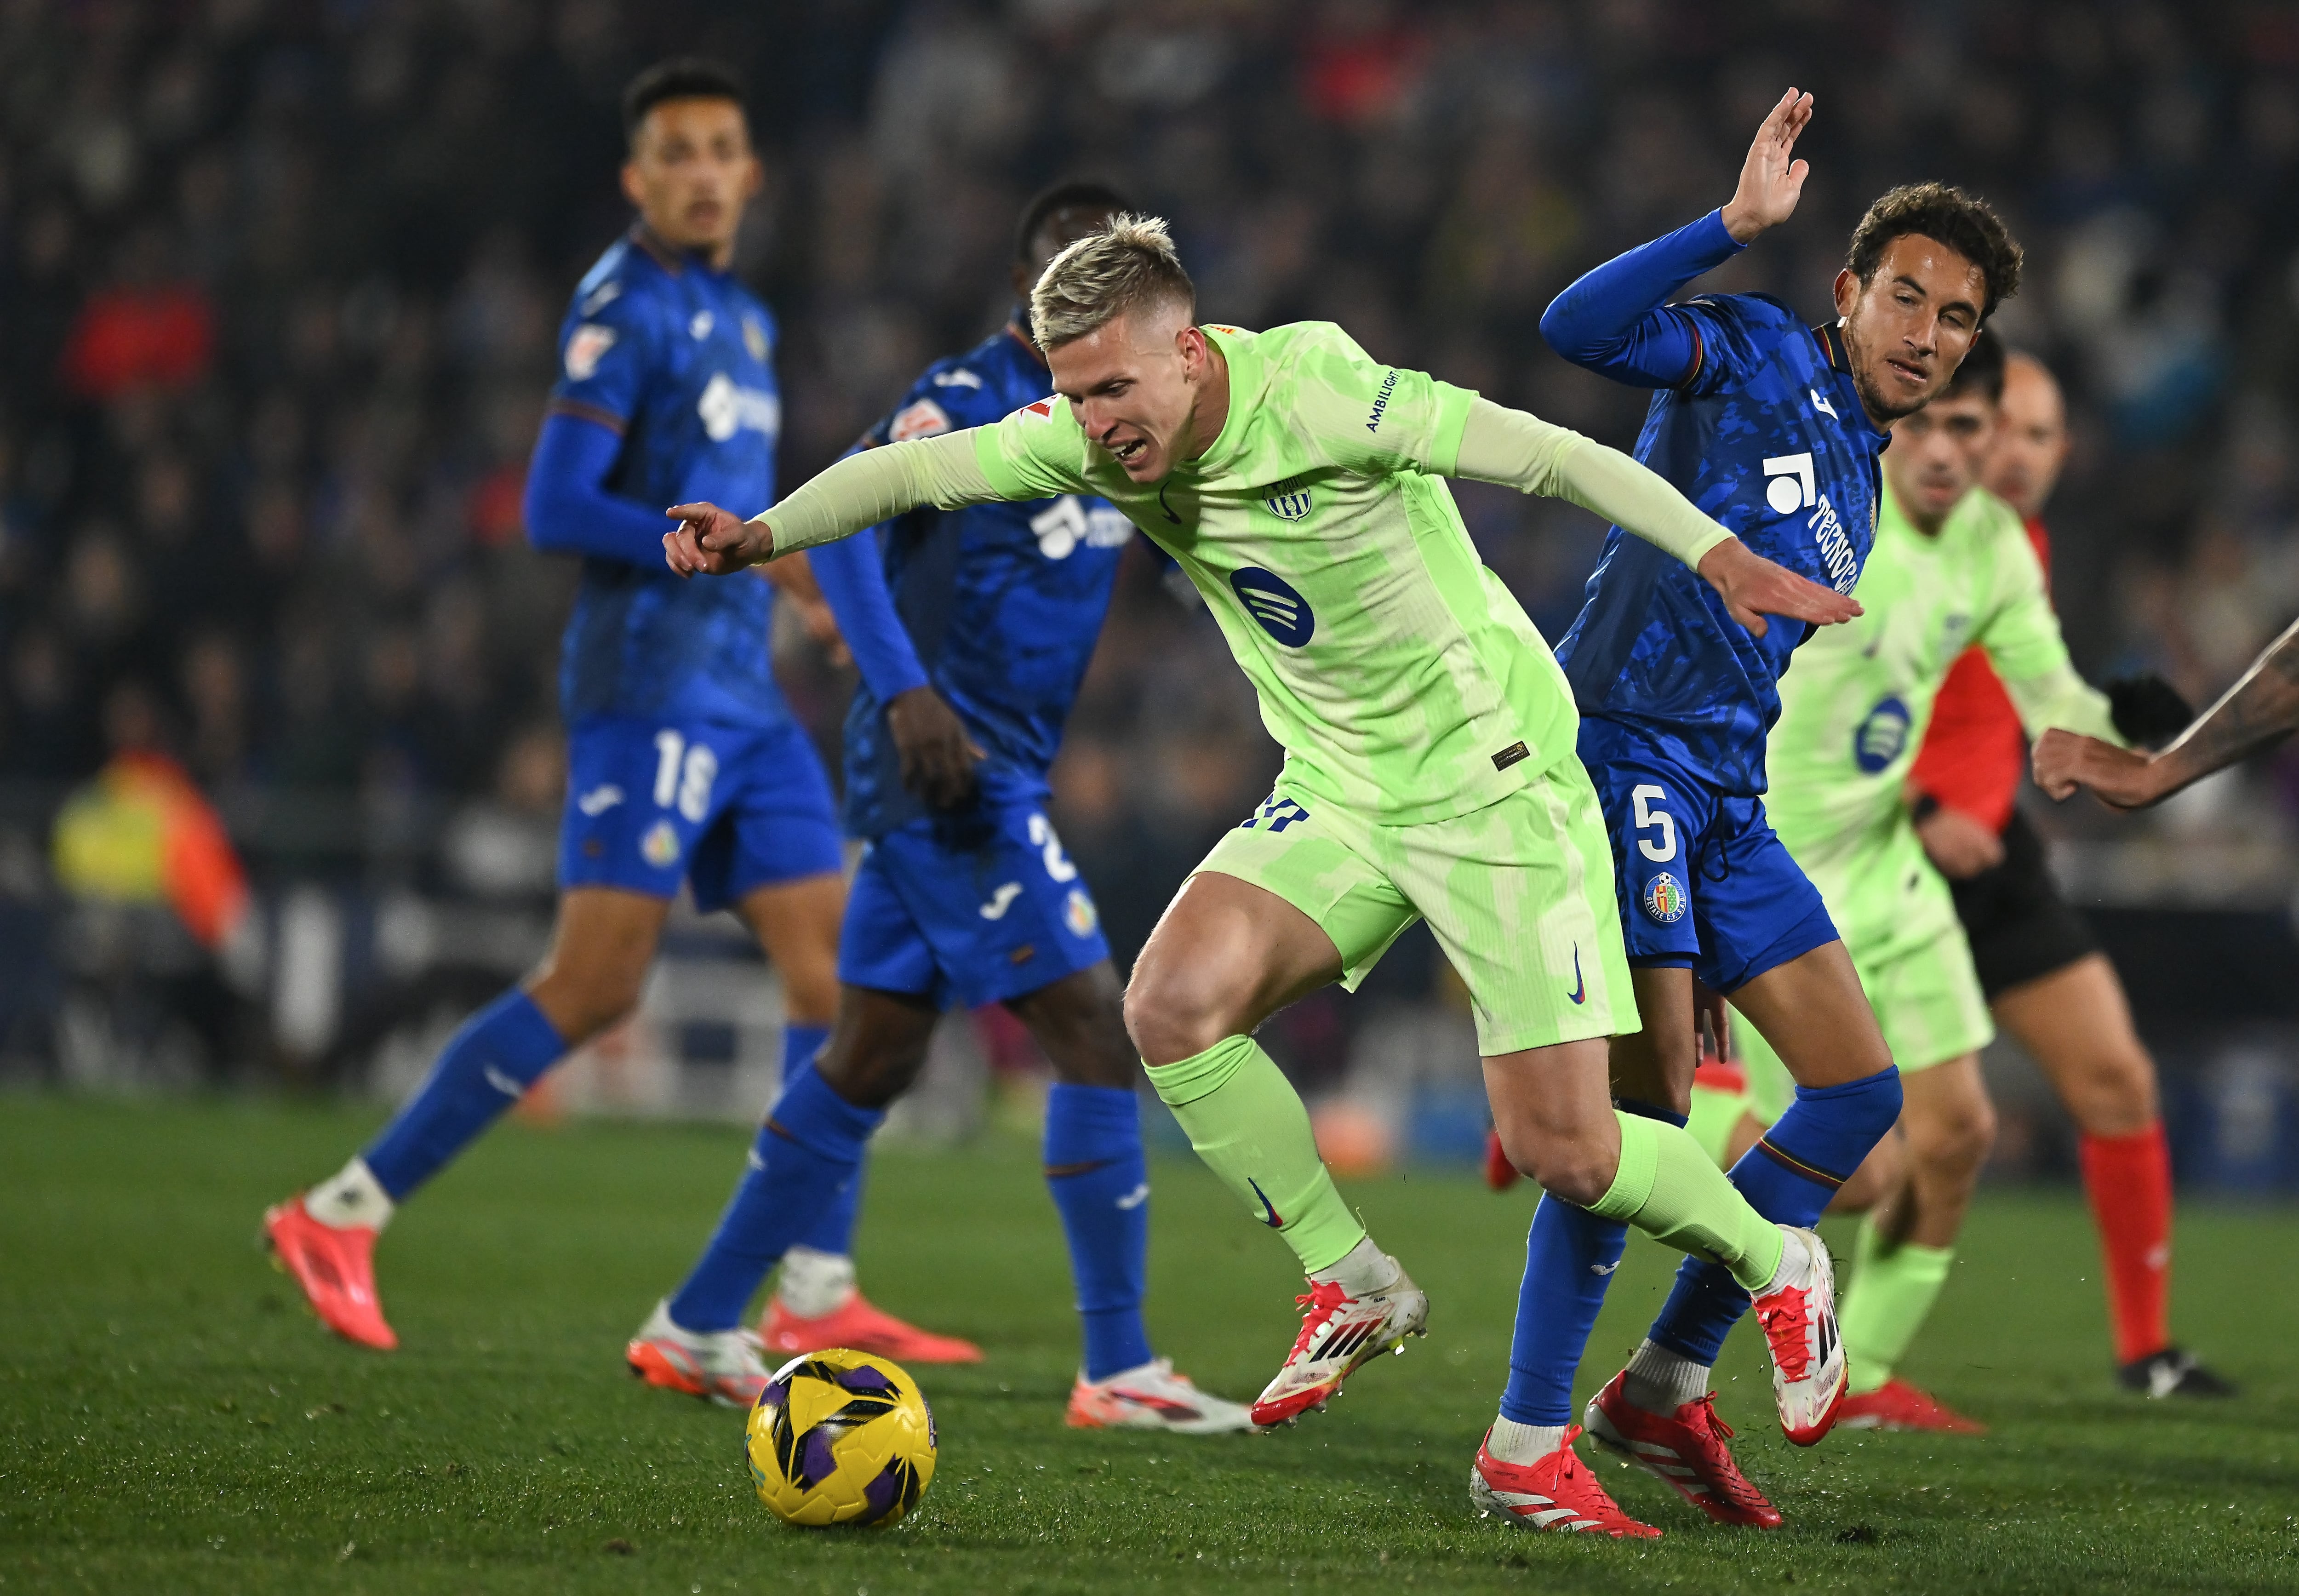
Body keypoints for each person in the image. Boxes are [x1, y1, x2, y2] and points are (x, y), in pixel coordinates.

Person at [664, 212, 1862, 1537]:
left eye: (1116, 387)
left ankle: (1776, 1258)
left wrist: (1715, 550)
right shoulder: (1087, 436)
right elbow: (919, 476)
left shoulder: (1325, 391)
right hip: (1343, 791)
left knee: (1566, 1153)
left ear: (1189, 349)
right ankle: (1349, 1279)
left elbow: (1547, 453)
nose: (1097, 422)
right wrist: (759, 534)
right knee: (1169, 1007)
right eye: (1073, 394)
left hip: (1495, 783)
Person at [263, 59, 970, 1382]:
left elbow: (738, 510)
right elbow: (554, 503)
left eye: (722, 150)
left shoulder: (745, 320)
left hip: (747, 701)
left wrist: (798, 575)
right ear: (638, 179)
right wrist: (696, 547)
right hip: (648, 690)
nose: (703, 173)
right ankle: (337, 1214)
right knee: (596, 983)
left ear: (752, 176)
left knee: (843, 981)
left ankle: (815, 1290)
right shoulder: (622, 307)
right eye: (677, 154)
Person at [625, 182, 1256, 1434]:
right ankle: (1119, 1367)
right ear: (1030, 300)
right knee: (1090, 1029)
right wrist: (908, 695)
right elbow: (850, 519)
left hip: (994, 762)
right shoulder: (967, 401)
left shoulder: (1125, 414)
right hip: (945, 769)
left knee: (872, 1055)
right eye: (1072, 277)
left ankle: (697, 1324)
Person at [1522, 89, 2023, 1527]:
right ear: (1849, 290)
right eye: (1908, 298)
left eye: (1960, 317)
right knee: (1646, 1107)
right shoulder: (1739, 353)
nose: (1929, 333)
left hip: (1726, 798)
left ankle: (1665, 1387)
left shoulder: (1868, 471)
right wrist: (1728, 229)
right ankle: (1531, 1435)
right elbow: (1578, 329)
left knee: (1863, 1090)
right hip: (1627, 761)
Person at [1711, 333, 2130, 1437]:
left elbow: (2052, 687)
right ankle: (1650, 1116)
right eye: (1926, 425)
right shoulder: (1830, 509)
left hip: (1889, 871)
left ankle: (1864, 1375)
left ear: (1992, 437)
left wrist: (2140, 749)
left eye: (1967, 427)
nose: (1943, 450)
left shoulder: (1996, 546)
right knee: (1857, 1175)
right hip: (1778, 873)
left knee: (1956, 1138)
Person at [1894, 352, 2231, 1400]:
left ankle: (2146, 1350)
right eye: (2004, 428)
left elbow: (2038, 696)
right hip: (1872, 849)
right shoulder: (1882, 529)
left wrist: (2121, 722)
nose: (2017, 453)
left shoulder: (2016, 547)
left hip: (1992, 851)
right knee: (1865, 1143)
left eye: (2041, 436)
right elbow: (1822, 707)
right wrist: (1916, 808)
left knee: (2116, 1079)